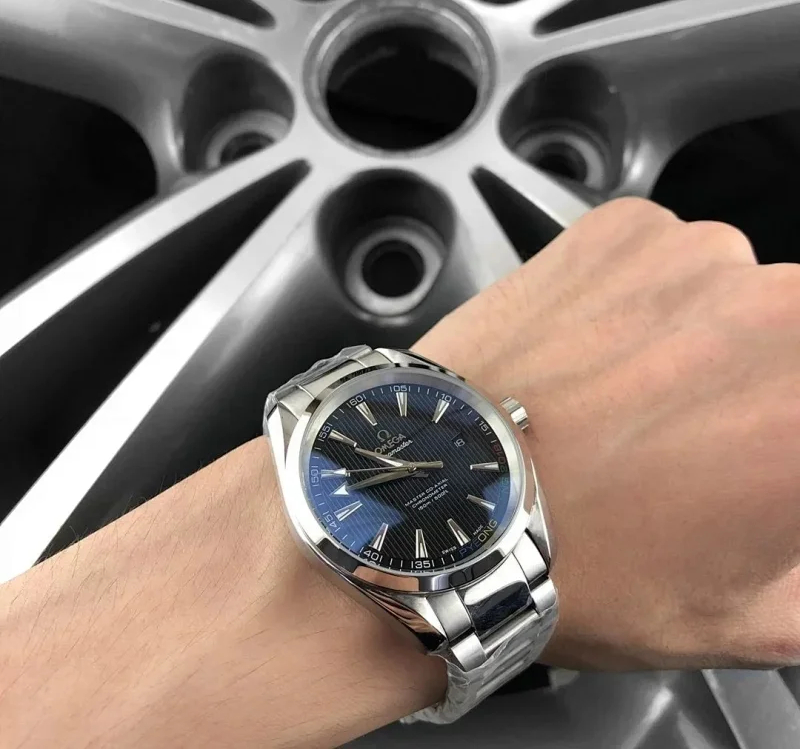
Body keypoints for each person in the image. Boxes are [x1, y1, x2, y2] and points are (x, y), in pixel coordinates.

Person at [2, 197, 799, 747]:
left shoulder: (491, 462)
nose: (416, 465)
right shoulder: (331, 528)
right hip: (415, 556)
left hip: (478, 512)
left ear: (506, 420)